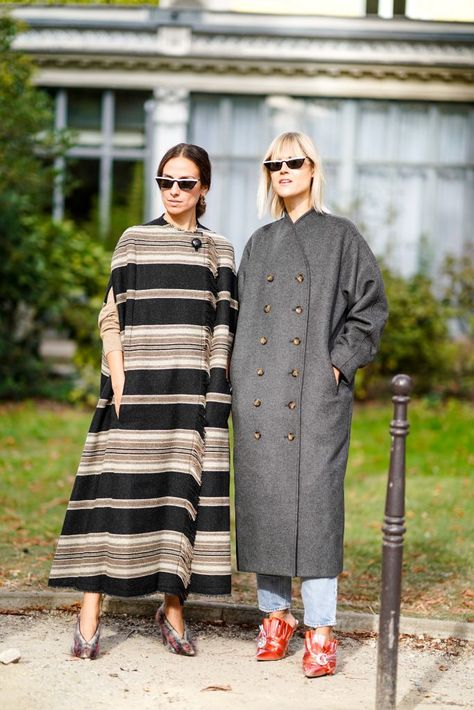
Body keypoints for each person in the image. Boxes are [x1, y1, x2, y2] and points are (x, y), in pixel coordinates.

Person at [49, 143, 237, 659]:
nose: (174, 191)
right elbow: (111, 312)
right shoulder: (134, 240)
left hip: (189, 390)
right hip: (134, 385)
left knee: (178, 495)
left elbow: (224, 326)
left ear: (204, 189)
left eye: (185, 183)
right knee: (116, 493)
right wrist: (118, 372)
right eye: (166, 181)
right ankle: (90, 610)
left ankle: (172, 606)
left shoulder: (220, 248)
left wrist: (213, 393)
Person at [230, 131, 388, 678]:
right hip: (258, 399)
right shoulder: (259, 242)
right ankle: (274, 617)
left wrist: (337, 364)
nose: (283, 170)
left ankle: (320, 629)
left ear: (314, 169)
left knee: (318, 509)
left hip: (317, 398)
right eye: (274, 163)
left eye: (293, 162)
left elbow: (369, 311)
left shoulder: (342, 238)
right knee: (266, 504)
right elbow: (240, 318)